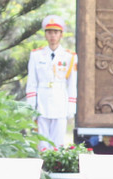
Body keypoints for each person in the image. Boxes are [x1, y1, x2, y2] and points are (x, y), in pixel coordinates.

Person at [26, 14, 78, 148]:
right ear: (45, 35)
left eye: (56, 32)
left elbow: (72, 84)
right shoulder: (36, 55)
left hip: (60, 100)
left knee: (58, 142)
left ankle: (55, 160)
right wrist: (31, 106)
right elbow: (32, 83)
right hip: (42, 101)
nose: (52, 36)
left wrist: (71, 107)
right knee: (42, 142)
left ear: (61, 35)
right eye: (49, 32)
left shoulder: (69, 56)